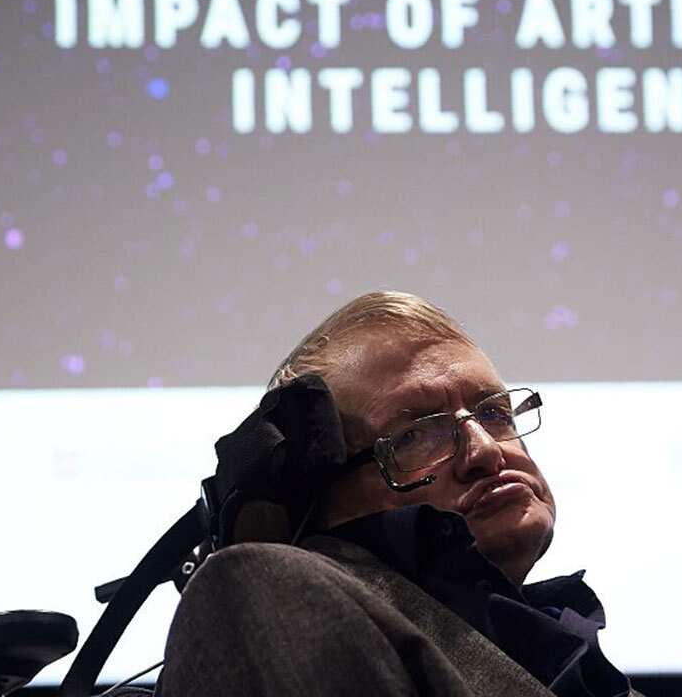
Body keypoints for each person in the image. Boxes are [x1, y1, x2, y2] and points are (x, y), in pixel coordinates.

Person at [156, 291, 640, 696]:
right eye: (415, 435)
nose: (486, 453)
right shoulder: (261, 590)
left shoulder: (561, 650)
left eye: (494, 412)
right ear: (321, 500)